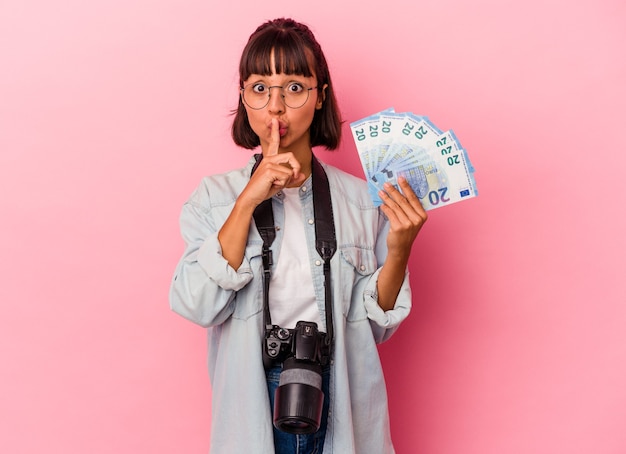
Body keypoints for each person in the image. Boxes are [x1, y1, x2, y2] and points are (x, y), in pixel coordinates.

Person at [169, 17, 427, 454]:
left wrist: (399, 248)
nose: (275, 107)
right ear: (243, 97)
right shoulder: (214, 198)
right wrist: (248, 199)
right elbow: (195, 304)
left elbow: (378, 326)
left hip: (340, 392)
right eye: (259, 87)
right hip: (253, 396)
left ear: (319, 95)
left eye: (293, 87)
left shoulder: (361, 201)